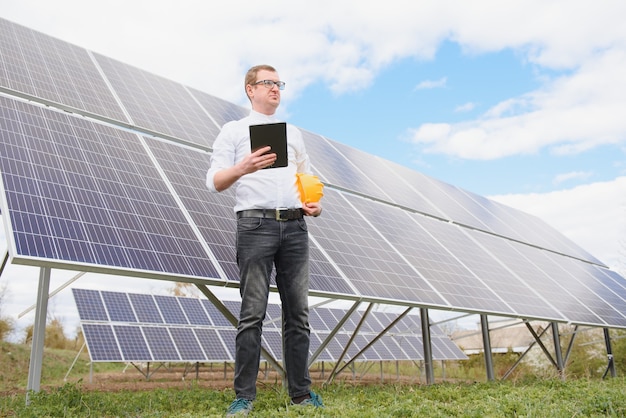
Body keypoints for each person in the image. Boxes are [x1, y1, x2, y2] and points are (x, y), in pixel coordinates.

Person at [206, 64, 324, 416]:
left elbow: (306, 175)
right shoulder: (234, 131)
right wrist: (243, 168)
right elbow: (213, 180)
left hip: (295, 228)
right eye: (267, 83)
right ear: (250, 89)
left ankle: (301, 394)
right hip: (255, 226)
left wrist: (313, 203)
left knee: (298, 314)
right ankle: (244, 397)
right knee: (252, 313)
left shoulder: (293, 133)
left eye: (278, 83)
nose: (275, 88)